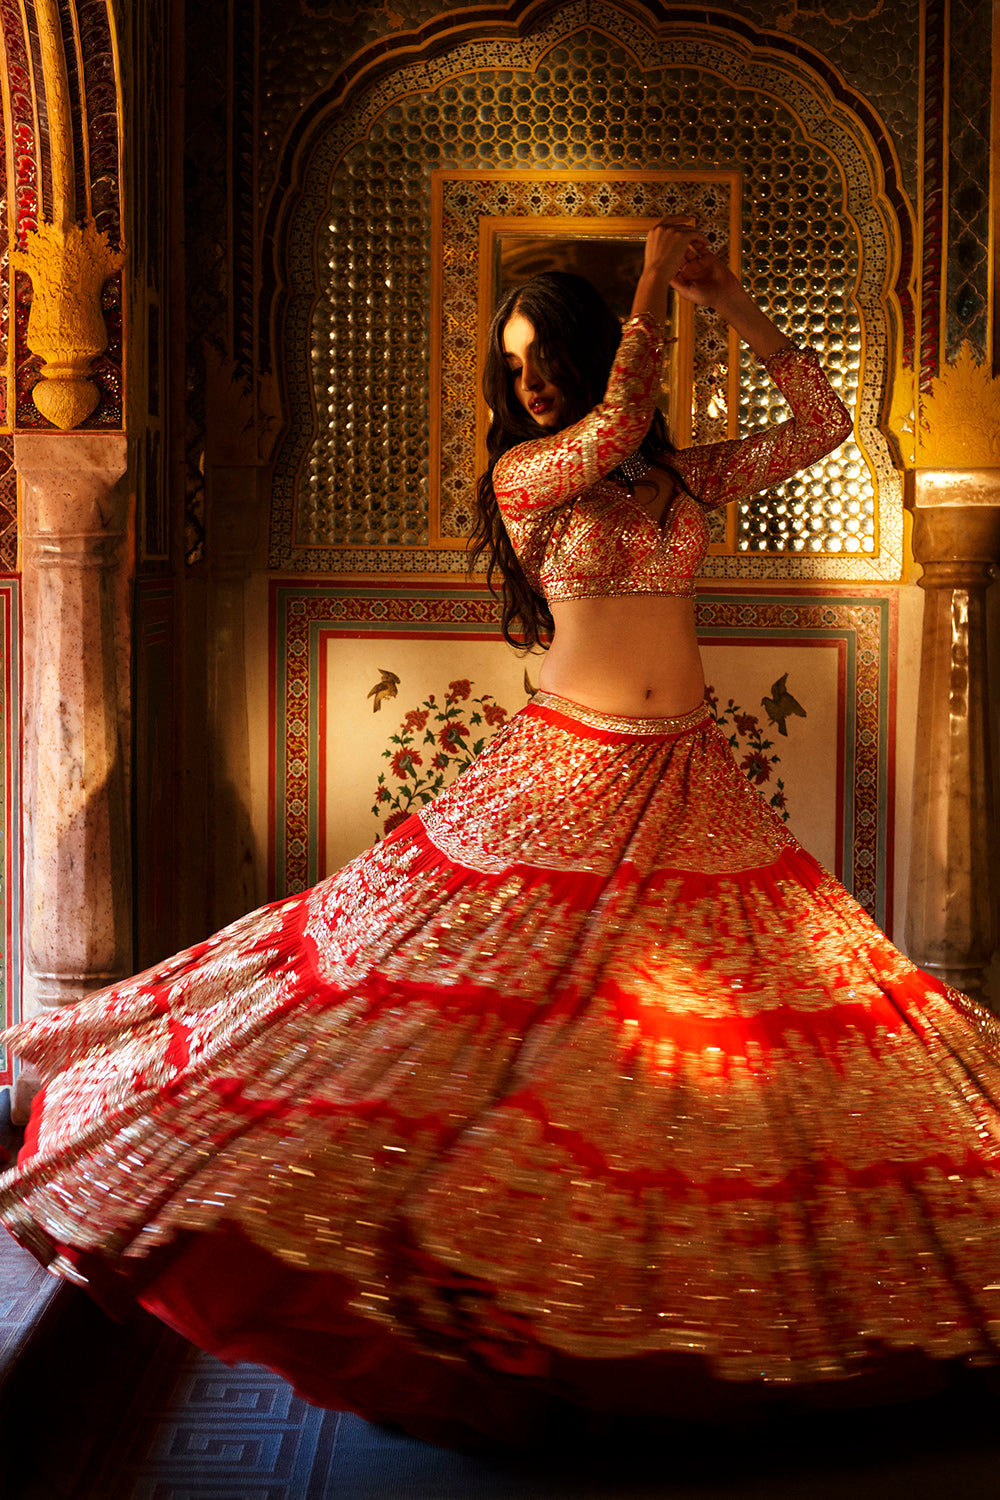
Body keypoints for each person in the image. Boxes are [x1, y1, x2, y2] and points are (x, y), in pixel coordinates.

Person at [1, 217, 999, 1450]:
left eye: (541, 360)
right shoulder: (530, 476)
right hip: (566, 774)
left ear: (575, 355)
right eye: (511, 369)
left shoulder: (672, 476)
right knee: (431, 999)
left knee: (688, 1058)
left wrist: (727, 298)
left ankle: (633, 1316)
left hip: (687, 775)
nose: (525, 383)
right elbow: (623, 422)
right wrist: (645, 285)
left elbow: (822, 428)